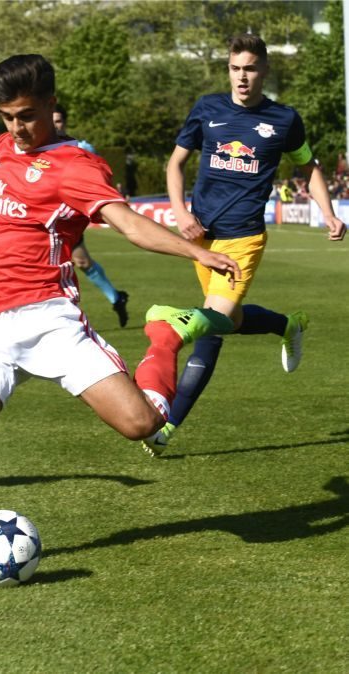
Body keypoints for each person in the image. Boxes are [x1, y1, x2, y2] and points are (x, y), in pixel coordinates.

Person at [0, 54, 240, 585]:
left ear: (50, 105)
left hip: (50, 321)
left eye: (25, 115)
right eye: (5, 117)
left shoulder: (76, 166)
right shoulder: (0, 150)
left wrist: (197, 255)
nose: (16, 129)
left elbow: (129, 225)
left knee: (143, 425)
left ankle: (165, 334)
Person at [157, 34, 346, 454]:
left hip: (244, 237)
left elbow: (309, 166)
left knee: (207, 325)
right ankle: (286, 325)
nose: (242, 77)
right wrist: (181, 213)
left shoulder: (283, 119)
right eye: (235, 68)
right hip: (201, 237)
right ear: (228, 69)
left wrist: (330, 213)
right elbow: (175, 163)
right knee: (230, 318)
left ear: (265, 70)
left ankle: (167, 425)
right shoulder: (207, 108)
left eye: (250, 68)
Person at [52, 104, 130, 327]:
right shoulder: (39, 149)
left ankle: (64, 319)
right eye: (51, 120)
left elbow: (99, 178)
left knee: (71, 261)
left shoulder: (82, 148)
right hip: (46, 219)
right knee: (79, 261)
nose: (55, 125)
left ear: (64, 123)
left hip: (69, 218)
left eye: (58, 121)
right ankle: (116, 297)